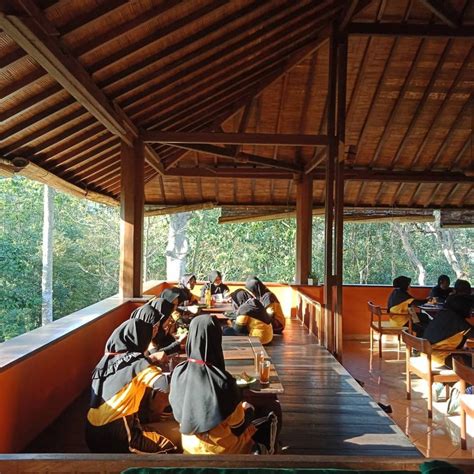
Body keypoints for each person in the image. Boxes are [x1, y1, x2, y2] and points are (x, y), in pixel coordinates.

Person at [169, 315, 278, 454]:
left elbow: (178, 413)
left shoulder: (178, 372)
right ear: (217, 341)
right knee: (272, 408)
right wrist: (248, 409)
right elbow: (238, 427)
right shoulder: (223, 382)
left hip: (190, 447)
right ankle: (269, 452)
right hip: (222, 451)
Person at [85, 319, 177, 453]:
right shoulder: (139, 365)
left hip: (92, 433)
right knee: (170, 444)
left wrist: (151, 359)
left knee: (156, 429)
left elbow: (128, 369)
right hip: (118, 436)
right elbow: (165, 386)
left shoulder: (107, 360)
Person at [424, 286, 474, 368]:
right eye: (470, 308)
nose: (471, 311)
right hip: (439, 360)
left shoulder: (444, 314)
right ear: (463, 307)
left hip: (428, 355)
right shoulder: (457, 321)